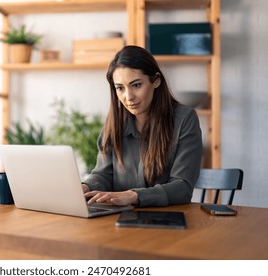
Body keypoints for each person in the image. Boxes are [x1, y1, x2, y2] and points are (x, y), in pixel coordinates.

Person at [82, 45, 203, 207]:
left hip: (167, 222)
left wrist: (133, 196)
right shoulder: (114, 123)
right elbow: (103, 175)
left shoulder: (184, 119)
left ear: (156, 81)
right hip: (118, 220)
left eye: (136, 85)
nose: (128, 97)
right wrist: (86, 187)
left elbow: (182, 188)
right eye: (120, 88)